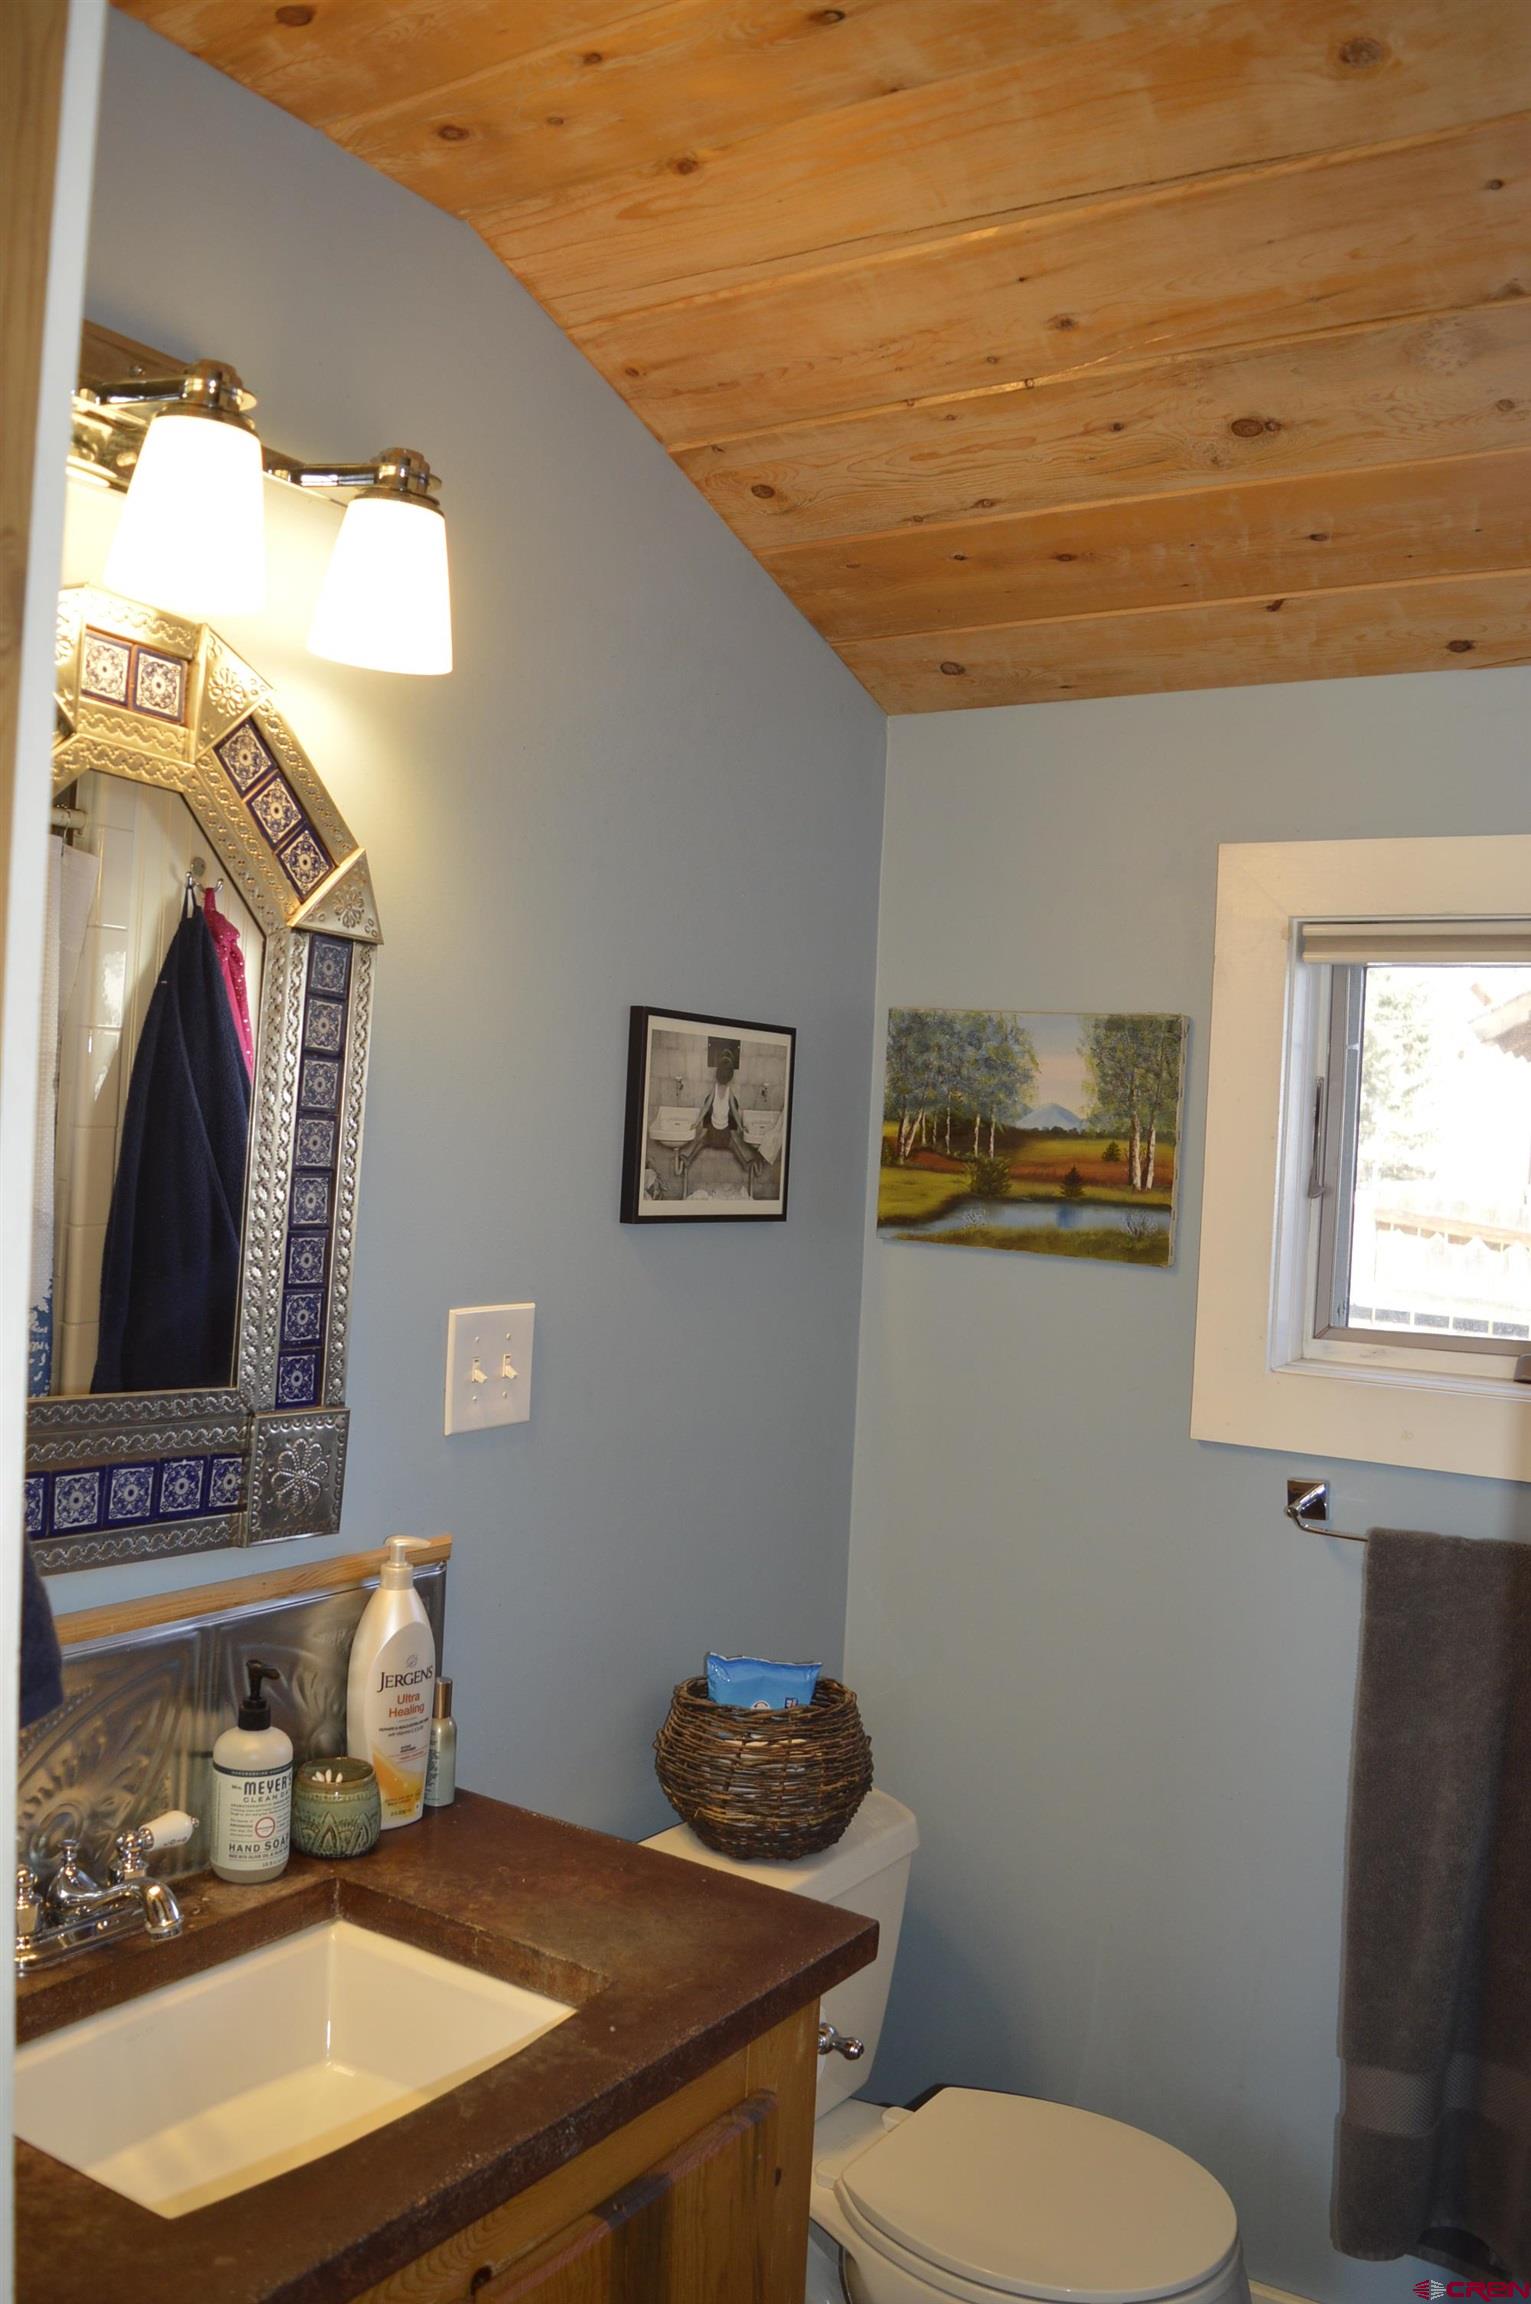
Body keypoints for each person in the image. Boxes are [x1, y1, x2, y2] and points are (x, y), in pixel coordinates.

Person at [676, 1051, 763, 1190]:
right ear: (729, 1077)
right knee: (734, 1145)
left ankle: (688, 1159)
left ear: (718, 1074)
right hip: (724, 1136)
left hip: (712, 1133)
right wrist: (741, 1127)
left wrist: (697, 1123)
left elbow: (705, 1107)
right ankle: (746, 1164)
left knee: (701, 1141)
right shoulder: (730, 1092)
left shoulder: (714, 1089)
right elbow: (734, 1111)